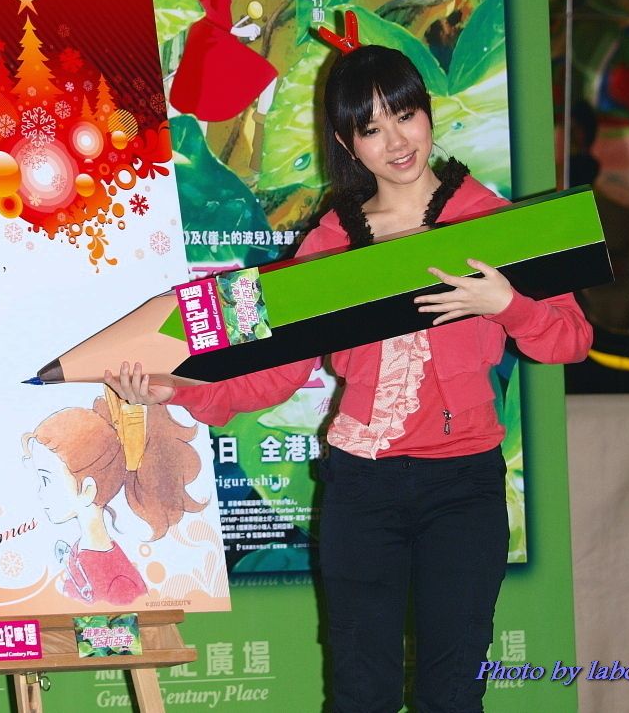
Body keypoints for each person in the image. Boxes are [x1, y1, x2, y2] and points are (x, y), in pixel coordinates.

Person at [107, 43, 592, 712]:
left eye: (405, 115)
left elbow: (571, 339)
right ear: (347, 143)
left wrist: (505, 304)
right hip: (363, 491)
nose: (397, 141)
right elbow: (276, 370)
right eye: (371, 128)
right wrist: (180, 388)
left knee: (453, 693)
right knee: (361, 693)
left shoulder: (494, 221)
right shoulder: (333, 242)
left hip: (465, 487)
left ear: (427, 113)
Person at [21, 395, 206, 606]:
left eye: (46, 480)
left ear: (88, 490)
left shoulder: (120, 583)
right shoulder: (79, 552)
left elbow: (123, 627)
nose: (39, 492)